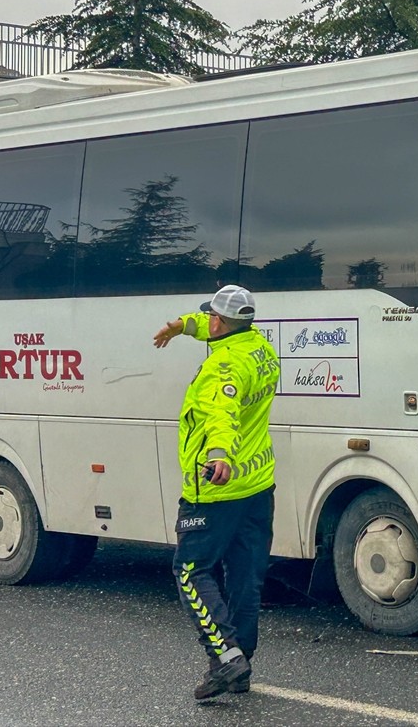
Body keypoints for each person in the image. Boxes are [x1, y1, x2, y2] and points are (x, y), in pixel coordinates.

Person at [153, 284, 281, 700]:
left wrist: (219, 454)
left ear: (220, 323)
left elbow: (222, 413)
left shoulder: (221, 367)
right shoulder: (259, 347)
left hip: (215, 488)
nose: (205, 319)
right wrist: (180, 326)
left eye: (210, 316)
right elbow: (208, 325)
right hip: (257, 487)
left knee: (190, 572)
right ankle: (239, 667)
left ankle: (225, 656)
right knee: (245, 579)